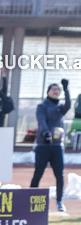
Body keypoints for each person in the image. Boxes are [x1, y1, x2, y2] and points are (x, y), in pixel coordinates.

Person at [30, 79, 72, 212]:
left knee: (60, 175)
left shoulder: (60, 108)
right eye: (54, 89)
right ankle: (30, 198)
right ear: (48, 91)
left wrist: (66, 89)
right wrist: (46, 134)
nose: (56, 91)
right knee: (38, 173)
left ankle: (59, 201)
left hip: (57, 146)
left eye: (58, 89)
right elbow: (41, 120)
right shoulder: (42, 106)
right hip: (43, 146)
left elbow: (68, 105)